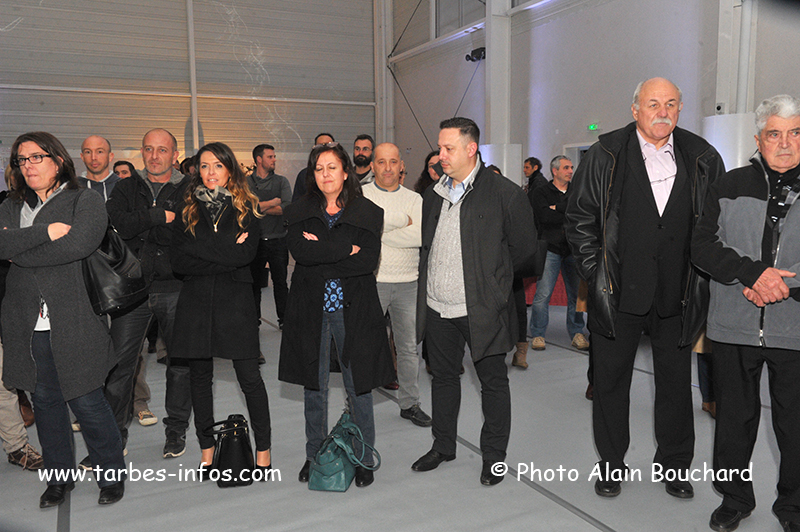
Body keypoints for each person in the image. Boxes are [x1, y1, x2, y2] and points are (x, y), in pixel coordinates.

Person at [565, 77, 725, 499]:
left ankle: (675, 466)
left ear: (681, 108)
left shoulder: (703, 157)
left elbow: (716, 225)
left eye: (671, 103)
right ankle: (611, 464)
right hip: (617, 294)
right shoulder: (605, 154)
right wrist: (597, 273)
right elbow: (579, 219)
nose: (663, 111)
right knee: (611, 384)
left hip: (678, 293)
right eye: (653, 103)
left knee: (676, 385)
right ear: (635, 109)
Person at [692, 94, 800, 532]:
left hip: (794, 327)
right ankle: (734, 498)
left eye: (795, 133)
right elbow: (702, 245)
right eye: (774, 134)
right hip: (734, 324)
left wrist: (780, 284)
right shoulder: (729, 184)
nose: (785, 143)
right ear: (759, 139)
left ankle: (794, 507)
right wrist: (752, 275)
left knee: (795, 425)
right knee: (733, 422)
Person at [0, 131, 126, 507]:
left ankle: (111, 473)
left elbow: (79, 244)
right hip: (28, 324)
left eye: (36, 157)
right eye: (21, 160)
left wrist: (21, 249)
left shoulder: (84, 199)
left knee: (87, 401)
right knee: (45, 403)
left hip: (75, 319)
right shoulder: (11, 204)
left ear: (57, 160)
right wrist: (45, 233)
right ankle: (58, 478)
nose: (28, 166)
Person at [411, 117, 539, 486]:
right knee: (443, 379)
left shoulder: (504, 194)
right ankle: (443, 446)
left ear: (471, 149)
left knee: (493, 383)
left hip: (482, 309)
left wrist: (494, 289)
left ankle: (494, 458)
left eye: (448, 148)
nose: (441, 155)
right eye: (440, 147)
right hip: (438, 307)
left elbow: (524, 252)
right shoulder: (434, 194)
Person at [279, 142, 393, 489]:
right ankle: (314, 455)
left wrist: (321, 250)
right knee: (314, 387)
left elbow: (366, 261)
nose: (325, 174)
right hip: (310, 309)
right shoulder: (299, 211)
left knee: (358, 386)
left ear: (345, 172)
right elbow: (301, 252)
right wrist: (345, 248)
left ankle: (363, 457)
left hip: (352, 308)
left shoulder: (368, 212)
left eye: (332, 167)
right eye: (319, 168)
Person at [171, 142, 272, 474]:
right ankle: (207, 449)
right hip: (196, 303)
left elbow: (245, 256)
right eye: (204, 166)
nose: (210, 172)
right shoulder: (187, 209)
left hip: (236, 304)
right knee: (200, 379)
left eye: (217, 165)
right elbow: (178, 261)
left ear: (230, 170)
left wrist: (200, 248)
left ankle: (263, 450)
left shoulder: (248, 209)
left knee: (250, 379)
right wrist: (226, 249)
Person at [106, 128, 192, 459]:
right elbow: (118, 225)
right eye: (148, 149)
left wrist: (142, 224)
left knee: (180, 365)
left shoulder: (190, 189)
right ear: (142, 153)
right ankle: (114, 437)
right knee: (120, 366)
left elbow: (186, 232)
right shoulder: (125, 187)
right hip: (132, 290)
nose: (154, 156)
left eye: (162, 150)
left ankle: (176, 431)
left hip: (175, 287)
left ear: (174, 155)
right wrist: (157, 216)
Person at [362, 142, 431, 427]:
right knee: (364, 346)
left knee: (408, 349)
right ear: (372, 165)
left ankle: (409, 403)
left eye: (393, 162)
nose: (388, 168)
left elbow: (419, 237)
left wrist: (378, 230)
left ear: (401, 165)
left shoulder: (415, 199)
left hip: (408, 283)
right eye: (381, 162)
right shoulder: (362, 196)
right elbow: (361, 232)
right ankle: (357, 405)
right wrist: (402, 221)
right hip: (371, 281)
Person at [529, 155, 589, 352]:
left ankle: (577, 332)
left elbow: (583, 214)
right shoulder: (541, 192)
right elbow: (544, 217)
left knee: (576, 296)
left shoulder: (578, 191)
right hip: (551, 248)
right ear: (555, 171)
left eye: (571, 167)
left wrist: (559, 208)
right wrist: (568, 211)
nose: (571, 171)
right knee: (543, 294)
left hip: (574, 249)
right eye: (566, 168)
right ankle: (538, 334)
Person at [248, 143, 291, 329]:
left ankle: (285, 320)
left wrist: (258, 207)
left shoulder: (281, 182)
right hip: (254, 242)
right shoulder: (246, 183)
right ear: (259, 159)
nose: (274, 160)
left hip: (278, 240)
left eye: (274, 156)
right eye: (270, 157)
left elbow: (286, 208)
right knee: (254, 285)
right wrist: (272, 202)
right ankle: (253, 321)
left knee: (280, 283)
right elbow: (245, 208)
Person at [292, 133, 335, 202]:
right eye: (320, 146)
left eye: (328, 145)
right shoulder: (304, 175)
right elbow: (296, 204)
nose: (324, 149)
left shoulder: (341, 172)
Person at [78, 135, 120, 201]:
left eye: (100, 152)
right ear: (82, 157)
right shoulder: (72, 188)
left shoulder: (124, 186)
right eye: (88, 152)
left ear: (110, 156)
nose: (93, 157)